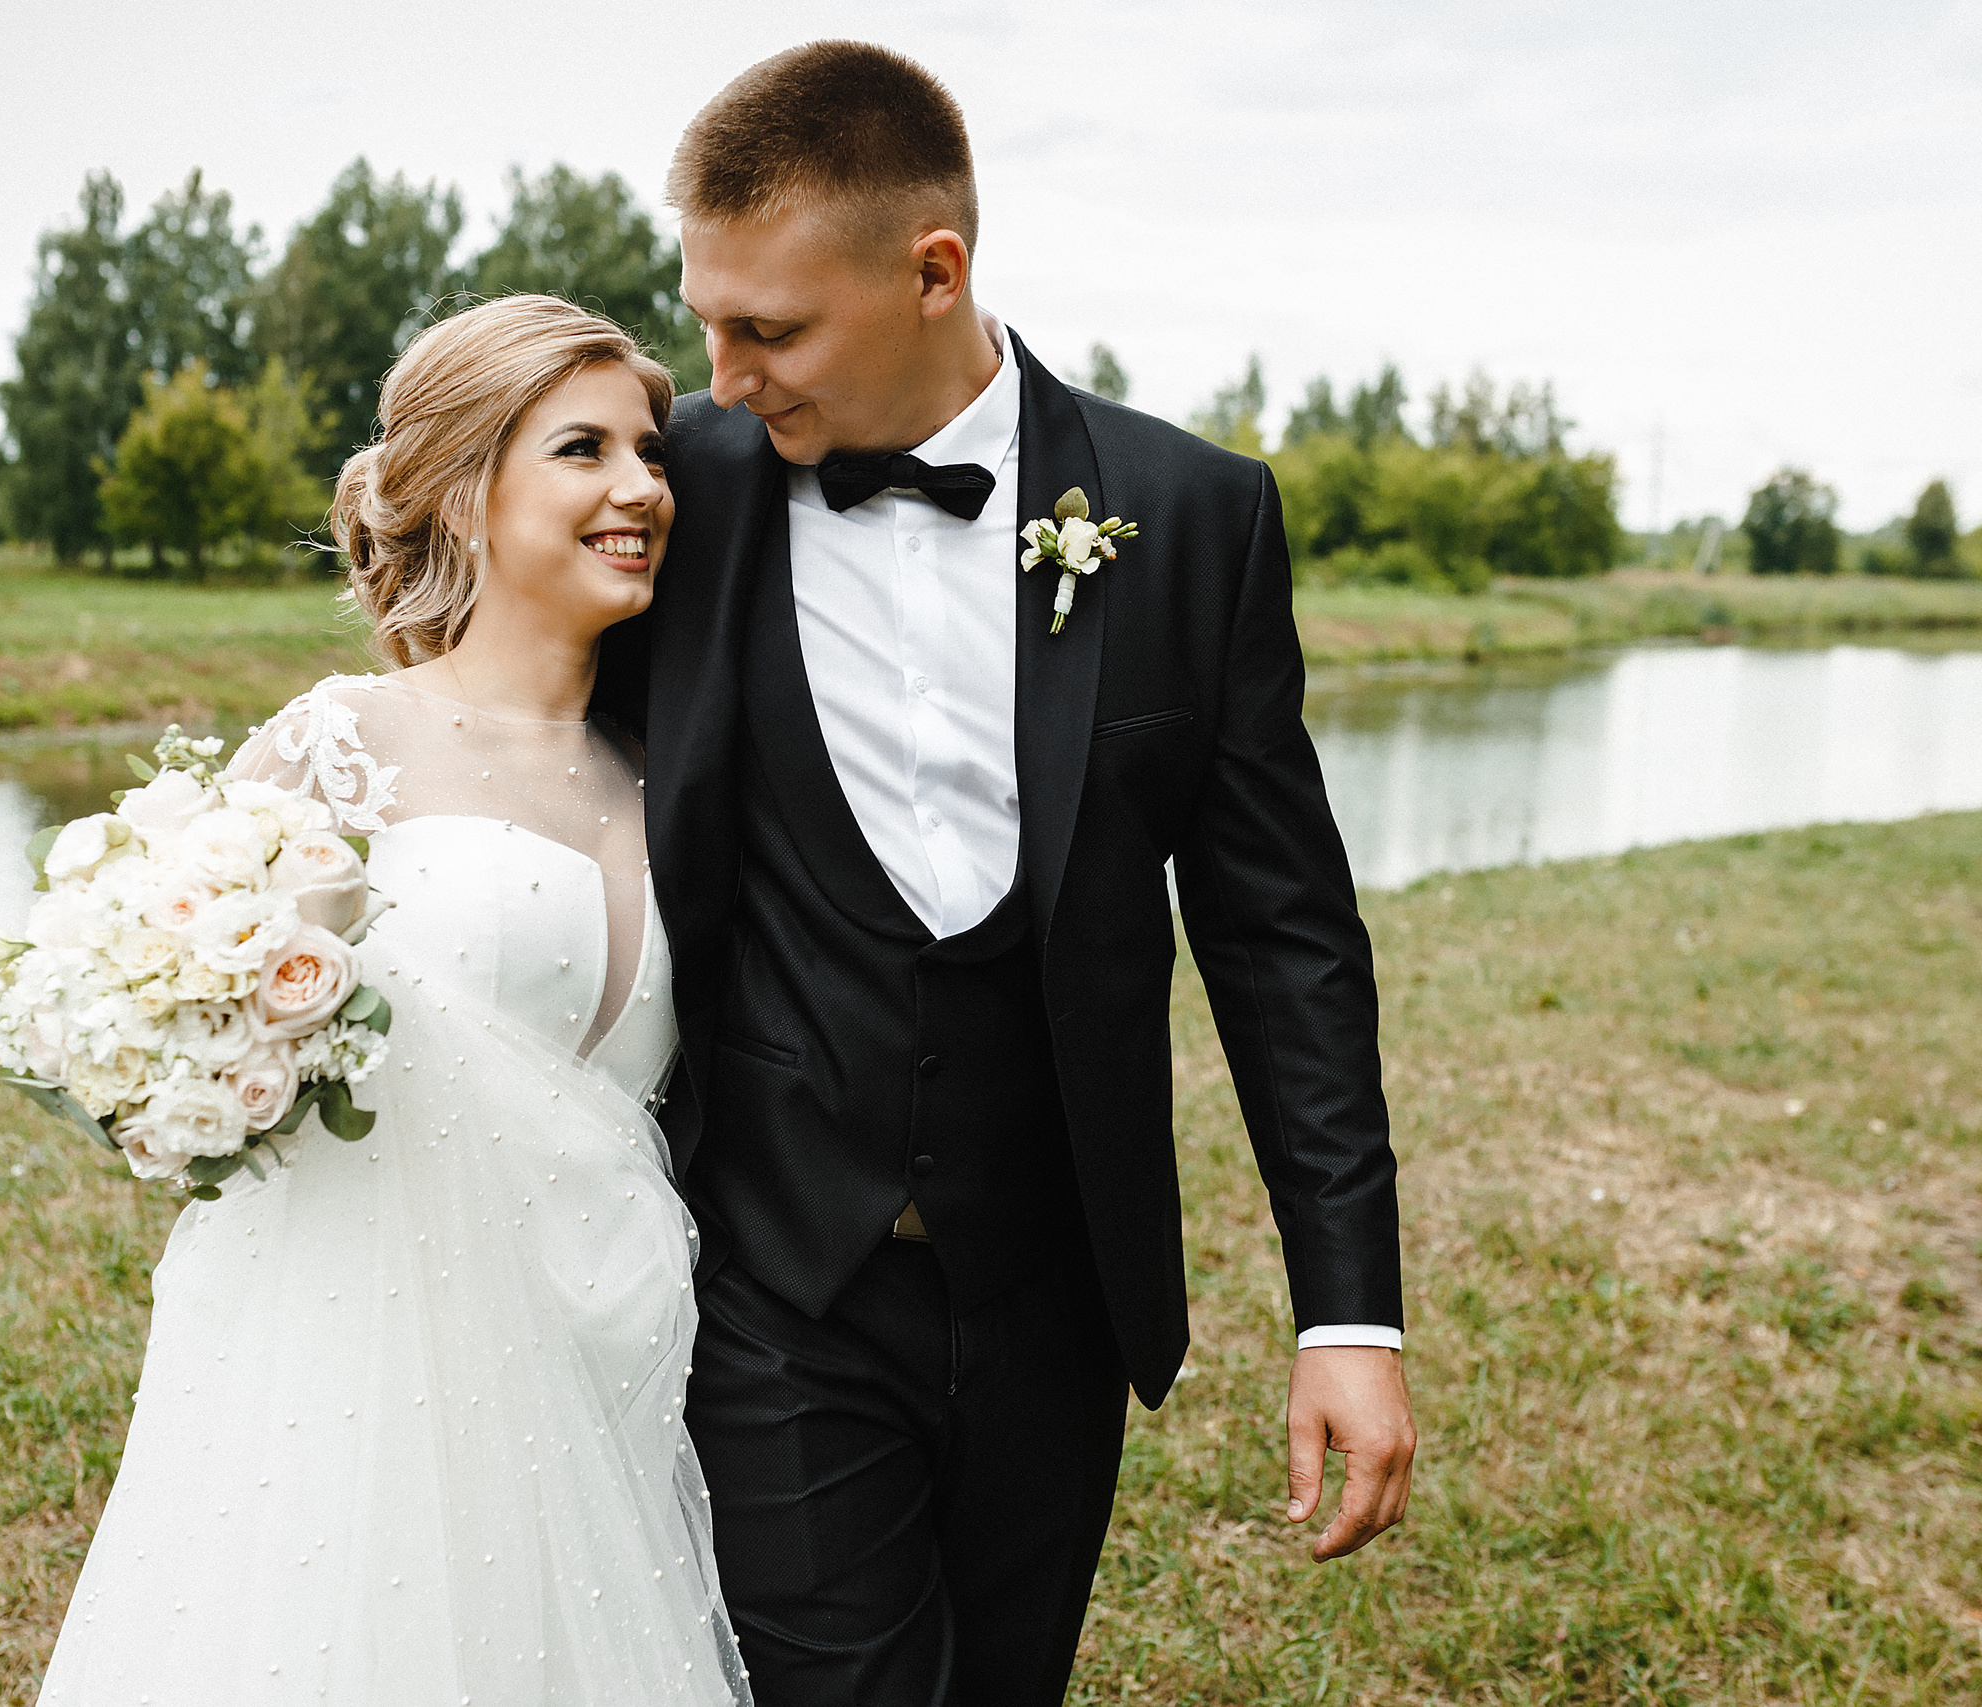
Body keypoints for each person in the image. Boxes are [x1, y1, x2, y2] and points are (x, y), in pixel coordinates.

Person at [589, 42, 1417, 1706]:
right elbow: (490, 704)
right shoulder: (674, 493)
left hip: (1056, 1288)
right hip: (774, 1278)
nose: (723, 374)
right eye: (708, 321)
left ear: (934, 270)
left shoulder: (1191, 519)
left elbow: (1280, 940)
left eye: (771, 329)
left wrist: (1351, 1318)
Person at [35, 295, 752, 1707]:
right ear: (468, 491)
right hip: (369, 1384)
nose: (642, 489)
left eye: (652, 452)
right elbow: (175, 1009)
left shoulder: (668, 775)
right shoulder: (345, 743)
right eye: (583, 449)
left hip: (603, 1352)